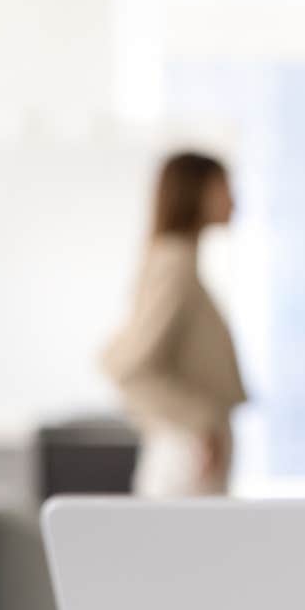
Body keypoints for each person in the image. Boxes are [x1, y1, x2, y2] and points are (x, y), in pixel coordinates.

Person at [103, 151, 247, 496]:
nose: (234, 199)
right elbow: (129, 367)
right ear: (197, 192)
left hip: (189, 446)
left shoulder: (178, 261)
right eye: (224, 187)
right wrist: (200, 423)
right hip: (186, 451)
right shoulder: (175, 265)